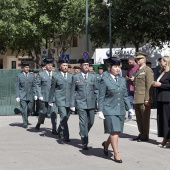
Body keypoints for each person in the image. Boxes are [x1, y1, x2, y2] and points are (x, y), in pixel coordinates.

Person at [98, 57, 133, 163]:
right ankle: (116, 154)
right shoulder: (104, 79)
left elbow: (125, 96)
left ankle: (106, 144)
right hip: (109, 109)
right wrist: (100, 110)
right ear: (109, 68)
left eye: (119, 67)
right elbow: (101, 96)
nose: (117, 69)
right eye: (115, 67)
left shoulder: (122, 80)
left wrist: (130, 108)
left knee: (117, 131)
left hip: (120, 109)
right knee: (114, 132)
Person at [70, 58, 98, 150]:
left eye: (88, 65)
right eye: (85, 65)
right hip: (80, 102)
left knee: (91, 121)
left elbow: (96, 90)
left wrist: (97, 100)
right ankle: (84, 141)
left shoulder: (93, 77)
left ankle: (83, 132)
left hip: (91, 103)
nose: (86, 66)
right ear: (81, 66)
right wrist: (72, 104)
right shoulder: (76, 77)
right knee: (83, 122)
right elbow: (73, 91)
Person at [130, 52, 154, 142]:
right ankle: (141, 133)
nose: (138, 60)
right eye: (137, 59)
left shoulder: (147, 70)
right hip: (137, 98)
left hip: (144, 98)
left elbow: (149, 86)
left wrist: (147, 98)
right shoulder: (138, 70)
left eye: (140, 59)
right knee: (139, 118)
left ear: (144, 59)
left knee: (145, 118)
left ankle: (145, 135)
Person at [49, 59, 73, 142]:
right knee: (64, 116)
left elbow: (74, 89)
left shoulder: (71, 76)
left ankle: (59, 130)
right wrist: (50, 100)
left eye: (66, 65)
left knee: (66, 117)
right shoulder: (56, 76)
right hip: (60, 99)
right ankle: (66, 136)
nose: (65, 67)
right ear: (60, 66)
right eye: (64, 65)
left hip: (69, 100)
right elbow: (52, 89)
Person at [35, 59, 58, 134]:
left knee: (53, 112)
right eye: (48, 65)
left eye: (51, 65)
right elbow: (37, 85)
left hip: (53, 97)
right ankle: (39, 123)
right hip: (44, 96)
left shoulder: (55, 74)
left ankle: (54, 128)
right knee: (43, 112)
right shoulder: (41, 74)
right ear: (45, 66)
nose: (50, 66)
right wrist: (39, 95)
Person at [152, 56, 170, 147]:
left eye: (162, 61)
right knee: (161, 119)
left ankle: (166, 139)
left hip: (167, 99)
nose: (160, 63)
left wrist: (161, 85)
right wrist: (155, 84)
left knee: (166, 120)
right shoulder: (162, 72)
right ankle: (166, 138)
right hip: (160, 98)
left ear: (166, 62)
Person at [15, 62, 36, 128]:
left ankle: (26, 118)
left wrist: (35, 94)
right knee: (24, 109)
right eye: (25, 67)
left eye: (28, 67)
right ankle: (25, 122)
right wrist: (17, 96)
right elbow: (17, 86)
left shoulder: (32, 76)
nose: (27, 69)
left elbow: (34, 86)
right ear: (23, 68)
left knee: (29, 108)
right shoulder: (19, 76)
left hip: (30, 95)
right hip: (22, 95)